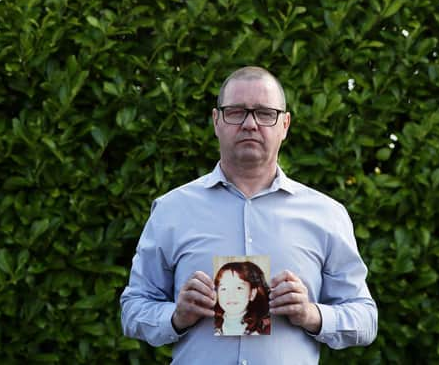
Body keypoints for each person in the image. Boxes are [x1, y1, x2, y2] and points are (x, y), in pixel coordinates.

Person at [121, 66, 377, 364]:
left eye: (265, 113)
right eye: (236, 111)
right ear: (216, 121)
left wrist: (312, 314)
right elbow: (133, 309)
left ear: (285, 124)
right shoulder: (172, 210)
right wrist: (176, 316)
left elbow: (365, 318)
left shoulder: (326, 214)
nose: (250, 124)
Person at [213, 261, 271, 336]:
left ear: (252, 294)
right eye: (223, 289)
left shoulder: (263, 330)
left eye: (239, 288)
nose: (230, 295)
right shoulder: (210, 325)